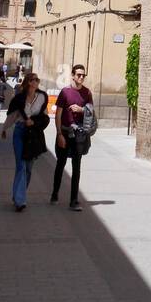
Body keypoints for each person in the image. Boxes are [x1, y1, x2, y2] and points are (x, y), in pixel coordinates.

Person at [1, 72, 50, 211]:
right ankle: (20, 200)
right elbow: (13, 115)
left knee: (28, 168)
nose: (37, 82)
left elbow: (44, 117)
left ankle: (18, 194)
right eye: (35, 80)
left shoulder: (42, 98)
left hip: (33, 134)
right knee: (21, 166)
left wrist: (34, 122)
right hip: (20, 132)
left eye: (38, 80)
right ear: (29, 82)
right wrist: (4, 129)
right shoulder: (19, 98)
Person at [50, 64, 93, 211]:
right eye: (79, 75)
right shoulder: (65, 92)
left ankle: (74, 200)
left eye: (83, 75)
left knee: (77, 167)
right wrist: (59, 134)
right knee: (60, 165)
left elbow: (91, 112)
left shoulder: (87, 93)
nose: (81, 77)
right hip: (65, 133)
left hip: (79, 135)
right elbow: (58, 114)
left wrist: (82, 109)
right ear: (73, 76)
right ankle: (55, 193)